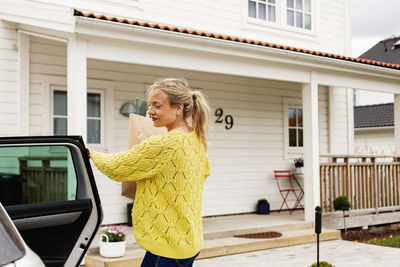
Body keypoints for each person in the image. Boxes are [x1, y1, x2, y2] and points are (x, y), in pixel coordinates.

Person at [88, 78, 211, 267]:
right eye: (150, 105)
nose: (150, 111)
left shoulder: (165, 143)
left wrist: (91, 154)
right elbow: (204, 172)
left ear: (178, 108)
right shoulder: (196, 139)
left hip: (167, 248)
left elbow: (117, 167)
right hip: (188, 243)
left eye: (157, 106)